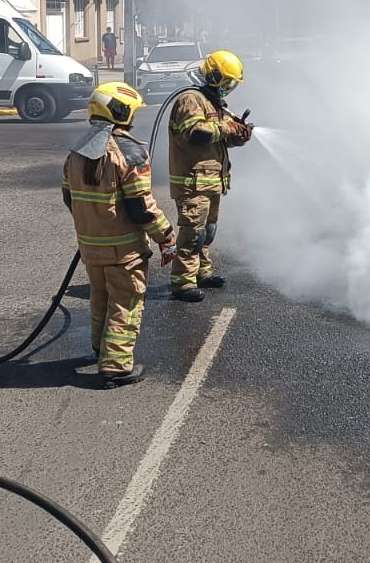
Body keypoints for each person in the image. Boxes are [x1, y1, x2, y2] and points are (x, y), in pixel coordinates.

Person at [62, 82, 176, 387]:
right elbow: (142, 207)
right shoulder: (129, 151)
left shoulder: (76, 151)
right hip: (123, 250)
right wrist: (166, 235)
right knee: (125, 302)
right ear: (120, 112)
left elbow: (69, 197)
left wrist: (92, 225)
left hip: (91, 248)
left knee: (100, 298)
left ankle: (101, 348)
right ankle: (116, 365)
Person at [168, 49, 252, 301]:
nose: (228, 88)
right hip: (192, 182)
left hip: (211, 182)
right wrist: (227, 128)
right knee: (192, 233)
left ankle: (202, 273)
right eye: (226, 82)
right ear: (213, 75)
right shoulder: (191, 100)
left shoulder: (213, 103)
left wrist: (239, 136)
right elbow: (196, 133)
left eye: (231, 84)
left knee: (208, 231)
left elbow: (218, 140)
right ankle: (182, 281)